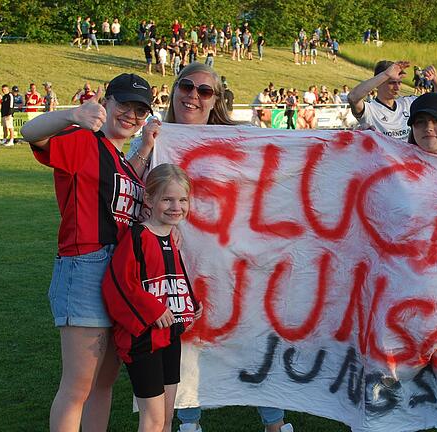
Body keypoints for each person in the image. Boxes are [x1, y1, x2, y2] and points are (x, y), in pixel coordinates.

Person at [125, 61, 293, 432]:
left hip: (234, 261)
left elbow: (281, 168)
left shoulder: (235, 137)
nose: (193, 97)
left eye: (205, 91)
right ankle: (188, 420)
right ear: (174, 89)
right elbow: (126, 187)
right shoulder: (154, 137)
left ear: (216, 100)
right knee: (183, 339)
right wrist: (148, 146)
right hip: (172, 262)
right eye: (187, 87)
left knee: (251, 334)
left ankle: (275, 422)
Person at [21, 73, 154, 431]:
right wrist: (72, 115)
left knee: (104, 383)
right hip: (86, 265)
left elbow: (124, 184)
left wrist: (143, 148)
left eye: (139, 110)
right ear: (106, 102)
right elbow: (30, 132)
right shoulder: (83, 140)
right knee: (78, 385)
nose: (131, 115)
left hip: (117, 273)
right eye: (124, 105)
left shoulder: (119, 156)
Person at [102, 163, 202, 432]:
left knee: (167, 419)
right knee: (153, 420)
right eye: (167, 199)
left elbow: (172, 279)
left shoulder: (172, 237)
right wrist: (153, 310)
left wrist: (189, 305)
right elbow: (118, 285)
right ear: (149, 199)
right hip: (142, 342)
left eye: (182, 200)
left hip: (169, 338)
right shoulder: (138, 237)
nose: (176, 206)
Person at [348, 60, 437, 141]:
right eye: (392, 83)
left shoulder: (409, 103)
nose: (397, 87)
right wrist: (385, 75)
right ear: (378, 83)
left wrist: (435, 79)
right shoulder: (370, 109)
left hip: (411, 164)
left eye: (399, 83)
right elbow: (353, 97)